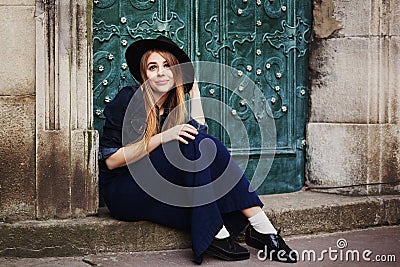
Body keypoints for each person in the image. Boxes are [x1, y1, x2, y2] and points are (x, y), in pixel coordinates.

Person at [98, 35, 297, 264]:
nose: (161, 72)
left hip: (155, 187)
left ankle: (262, 228)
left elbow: (200, 135)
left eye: (168, 66)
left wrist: (194, 92)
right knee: (190, 141)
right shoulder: (129, 98)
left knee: (201, 142)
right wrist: (163, 137)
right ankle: (230, 232)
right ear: (144, 74)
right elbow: (111, 161)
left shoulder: (174, 105)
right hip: (125, 192)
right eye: (153, 67)